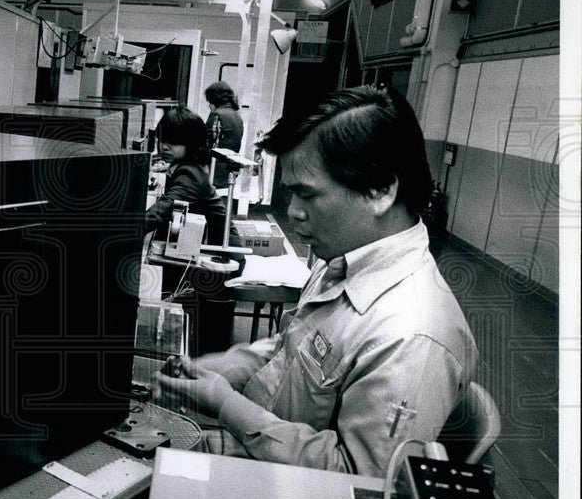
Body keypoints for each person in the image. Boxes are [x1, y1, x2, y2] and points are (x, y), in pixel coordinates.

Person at [152, 85, 478, 477]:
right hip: (256, 451)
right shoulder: (342, 259)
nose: (293, 212)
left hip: (291, 494)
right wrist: (219, 368)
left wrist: (226, 404)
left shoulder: (411, 337)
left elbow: (361, 483)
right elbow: (289, 348)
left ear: (380, 190)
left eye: (307, 195)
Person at [144, 105, 240, 247]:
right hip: (206, 247)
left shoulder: (190, 174)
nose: (165, 147)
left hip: (220, 256)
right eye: (163, 140)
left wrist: (125, 229)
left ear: (192, 144)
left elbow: (164, 208)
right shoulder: (186, 163)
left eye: (174, 142)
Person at [205, 81, 245, 188]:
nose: (208, 105)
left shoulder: (217, 114)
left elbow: (208, 143)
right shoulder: (236, 115)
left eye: (209, 101)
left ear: (214, 99)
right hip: (229, 166)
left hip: (215, 168)